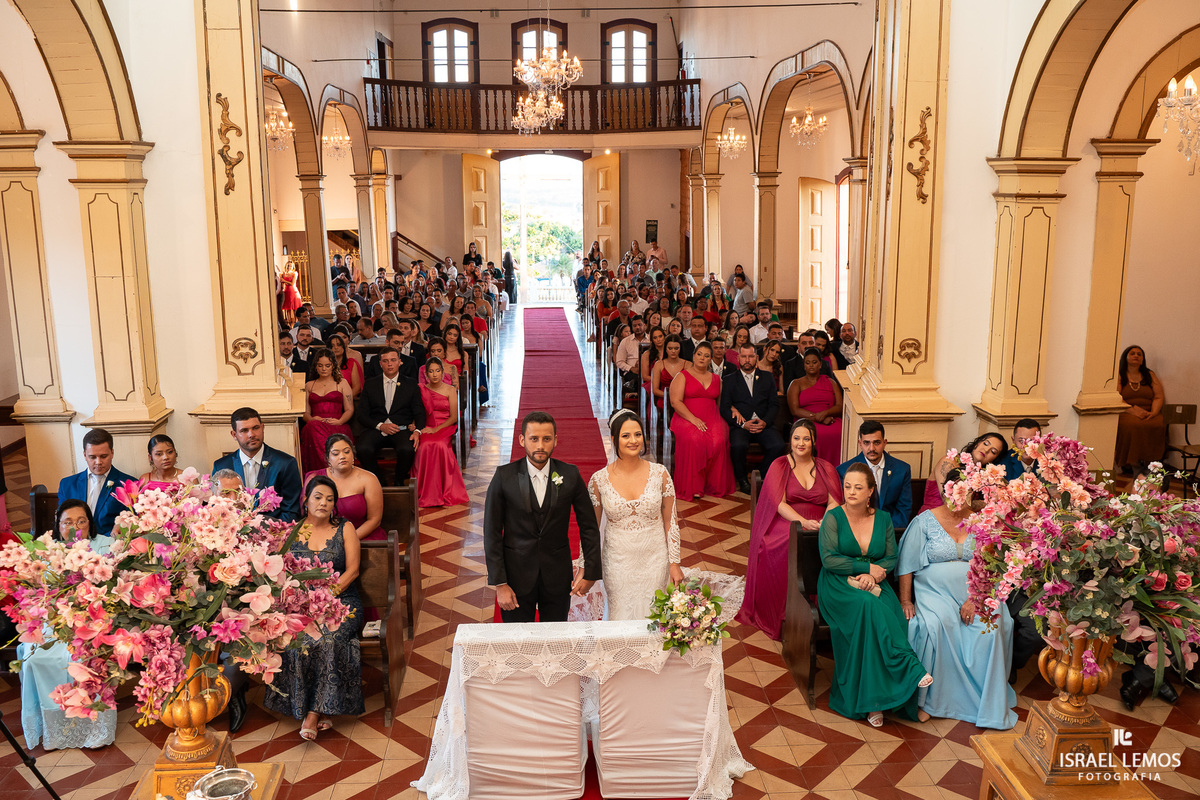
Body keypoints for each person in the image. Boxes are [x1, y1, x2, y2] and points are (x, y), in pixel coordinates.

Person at [819, 463, 932, 726]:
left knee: (885, 614)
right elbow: (829, 560)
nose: (851, 492)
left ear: (870, 491)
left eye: (858, 487)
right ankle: (909, 666)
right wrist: (865, 568)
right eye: (847, 486)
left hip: (875, 582)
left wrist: (874, 575)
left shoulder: (883, 519)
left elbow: (891, 557)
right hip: (838, 585)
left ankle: (874, 705)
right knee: (869, 607)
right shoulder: (833, 518)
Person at [897, 487, 1018, 729]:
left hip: (979, 592)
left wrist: (976, 597)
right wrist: (906, 600)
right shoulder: (924, 522)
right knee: (937, 625)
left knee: (990, 630)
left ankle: (985, 701)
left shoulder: (983, 521)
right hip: (935, 593)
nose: (956, 499)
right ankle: (934, 701)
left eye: (963, 493)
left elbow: (993, 565)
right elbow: (906, 564)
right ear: (944, 493)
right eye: (952, 493)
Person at [265, 476, 363, 740]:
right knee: (299, 640)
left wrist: (327, 596)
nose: (324, 503)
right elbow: (282, 573)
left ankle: (313, 712)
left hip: (342, 602)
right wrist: (303, 602)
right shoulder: (292, 531)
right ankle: (317, 708)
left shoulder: (345, 528)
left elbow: (353, 570)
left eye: (330, 499)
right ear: (306, 500)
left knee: (330, 640)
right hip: (303, 605)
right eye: (318, 497)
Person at [17, 500, 118, 750]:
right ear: (58, 525)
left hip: (93, 618)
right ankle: (54, 729)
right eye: (68, 523)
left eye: (81, 521)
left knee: (84, 657)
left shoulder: (105, 545)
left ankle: (94, 728)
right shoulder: (48, 552)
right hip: (54, 619)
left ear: (90, 523)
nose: (75, 528)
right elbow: (38, 593)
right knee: (34, 658)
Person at [483, 412, 603, 622]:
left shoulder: (570, 475)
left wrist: (590, 572)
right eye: (534, 439)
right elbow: (491, 532)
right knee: (518, 638)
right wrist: (500, 583)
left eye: (546, 439)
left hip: (557, 578)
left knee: (556, 638)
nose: (540, 445)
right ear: (522, 440)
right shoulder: (504, 476)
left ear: (555, 440)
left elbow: (589, 526)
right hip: (515, 578)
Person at [736, 420, 841, 640]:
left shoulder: (826, 467)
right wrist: (803, 522)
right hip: (787, 519)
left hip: (822, 521)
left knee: (834, 542)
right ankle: (784, 612)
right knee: (784, 542)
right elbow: (779, 503)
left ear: (814, 441)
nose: (801, 443)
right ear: (790, 440)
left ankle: (823, 609)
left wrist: (825, 521)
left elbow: (834, 501)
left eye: (806, 438)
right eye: (796, 438)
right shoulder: (779, 465)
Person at [588, 409, 684, 620]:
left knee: (655, 616)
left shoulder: (660, 474)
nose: (633, 441)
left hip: (655, 559)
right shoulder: (598, 480)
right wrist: (584, 568)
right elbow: (591, 529)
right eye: (626, 435)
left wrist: (674, 563)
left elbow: (671, 522)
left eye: (638, 434)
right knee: (621, 616)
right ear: (614, 439)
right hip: (618, 563)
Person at [669, 342, 735, 500]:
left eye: (706, 356)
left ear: (710, 359)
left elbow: (721, 403)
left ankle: (712, 485)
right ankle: (693, 486)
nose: (702, 358)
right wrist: (693, 419)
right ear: (693, 356)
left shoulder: (717, 379)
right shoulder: (682, 376)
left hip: (712, 416)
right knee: (695, 439)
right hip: (686, 416)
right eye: (699, 354)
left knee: (718, 441)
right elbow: (675, 402)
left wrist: (733, 409)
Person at [211, 408, 303, 521]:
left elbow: (292, 512)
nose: (251, 434)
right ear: (234, 434)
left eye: (255, 428)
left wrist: (269, 530)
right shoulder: (221, 465)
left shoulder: (285, 463)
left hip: (274, 530)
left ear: (262, 428)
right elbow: (215, 507)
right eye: (244, 430)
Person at [721, 343, 787, 495]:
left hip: (763, 424)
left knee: (777, 445)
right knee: (738, 446)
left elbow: (774, 404)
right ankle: (743, 480)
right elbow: (725, 408)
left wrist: (765, 422)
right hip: (741, 425)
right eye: (744, 356)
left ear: (756, 357)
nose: (747, 360)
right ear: (738, 358)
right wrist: (743, 424)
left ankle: (760, 477)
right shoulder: (729, 380)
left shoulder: (767, 377)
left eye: (750, 356)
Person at [356, 348, 426, 485]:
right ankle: (379, 482)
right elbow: (361, 414)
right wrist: (380, 426)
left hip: (401, 429)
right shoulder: (370, 384)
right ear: (380, 364)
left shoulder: (411, 384)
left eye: (393, 360)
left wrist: (417, 431)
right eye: (385, 361)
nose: (389, 364)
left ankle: (398, 482)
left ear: (400, 362)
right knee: (363, 448)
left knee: (407, 449)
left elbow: (419, 412)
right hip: (376, 428)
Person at [304, 435, 384, 541]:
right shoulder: (314, 478)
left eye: (346, 452)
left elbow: (374, 519)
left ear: (353, 455)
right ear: (327, 458)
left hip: (362, 536)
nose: (342, 456)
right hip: (323, 537)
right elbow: (307, 515)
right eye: (335, 453)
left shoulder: (369, 479)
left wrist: (347, 539)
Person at [57, 428, 135, 535]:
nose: (98, 462)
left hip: (110, 541)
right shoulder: (68, 485)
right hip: (75, 541)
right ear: (84, 455)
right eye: (92, 457)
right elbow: (62, 520)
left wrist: (122, 525)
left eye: (103, 456)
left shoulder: (128, 484)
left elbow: (132, 519)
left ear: (112, 453)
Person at [837, 421, 913, 531]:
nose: (872, 448)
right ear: (860, 443)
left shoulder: (902, 469)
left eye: (877, 443)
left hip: (890, 530)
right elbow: (844, 509)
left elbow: (904, 509)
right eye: (866, 443)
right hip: (857, 531)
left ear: (884, 442)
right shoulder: (844, 471)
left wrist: (886, 531)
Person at [414, 358, 469, 507]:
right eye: (431, 371)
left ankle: (444, 490)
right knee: (423, 446)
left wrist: (436, 429)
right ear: (426, 374)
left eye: (437, 371)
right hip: (427, 426)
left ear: (443, 373)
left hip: (445, 426)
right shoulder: (421, 389)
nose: (434, 374)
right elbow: (417, 412)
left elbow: (454, 417)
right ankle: (425, 491)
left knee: (440, 445)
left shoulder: (450, 390)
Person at [917, 433, 1008, 515]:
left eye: (993, 451)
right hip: (932, 519)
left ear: (995, 459)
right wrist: (989, 503)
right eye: (986, 444)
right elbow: (953, 505)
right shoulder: (949, 461)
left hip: (961, 524)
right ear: (977, 443)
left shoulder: (986, 478)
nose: (986, 450)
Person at [299, 349, 355, 474]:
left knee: (313, 427)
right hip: (315, 426)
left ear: (333, 366)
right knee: (311, 427)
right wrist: (312, 419)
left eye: (327, 365)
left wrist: (340, 421)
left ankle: (333, 470)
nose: (324, 369)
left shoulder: (342, 383)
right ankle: (324, 471)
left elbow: (349, 409)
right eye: (320, 365)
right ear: (316, 367)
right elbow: (305, 413)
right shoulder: (309, 385)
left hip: (337, 424)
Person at [786, 347, 844, 464]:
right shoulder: (796, 383)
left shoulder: (831, 382)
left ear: (820, 364)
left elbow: (840, 406)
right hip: (805, 419)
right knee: (816, 434)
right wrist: (817, 417)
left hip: (830, 418)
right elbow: (795, 410)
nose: (811, 365)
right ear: (804, 365)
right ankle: (815, 468)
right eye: (807, 363)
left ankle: (837, 469)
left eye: (814, 362)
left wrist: (825, 414)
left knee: (842, 432)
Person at [1114, 344, 1166, 474]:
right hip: (1126, 410)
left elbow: (1159, 396)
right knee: (1133, 425)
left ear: (1143, 359)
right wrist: (1133, 411)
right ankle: (1131, 462)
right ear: (1125, 357)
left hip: (1148, 411)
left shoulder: (1149, 374)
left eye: (1139, 354)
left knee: (1158, 423)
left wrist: (1154, 412)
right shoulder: (1120, 375)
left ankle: (1151, 461)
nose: (1136, 356)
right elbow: (1117, 397)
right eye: (1132, 353)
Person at [650, 333, 687, 411]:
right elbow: (655, 390)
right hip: (664, 399)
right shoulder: (659, 364)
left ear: (680, 348)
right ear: (665, 349)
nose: (673, 351)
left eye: (676, 348)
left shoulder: (688, 365)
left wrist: (679, 397)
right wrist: (669, 396)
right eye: (670, 348)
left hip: (683, 399)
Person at [327, 332, 364, 397]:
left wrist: (345, 399)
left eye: (338, 345)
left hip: (348, 398)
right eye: (332, 346)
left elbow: (357, 388)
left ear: (343, 347)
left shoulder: (352, 363)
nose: (336, 347)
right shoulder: (324, 365)